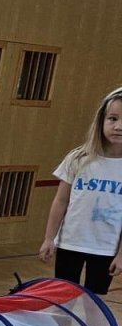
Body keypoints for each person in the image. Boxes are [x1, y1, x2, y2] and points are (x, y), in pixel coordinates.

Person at [39, 86, 122, 294]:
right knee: (63, 298)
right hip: (70, 243)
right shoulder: (78, 158)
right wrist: (49, 238)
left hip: (106, 248)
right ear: (101, 121)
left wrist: (121, 255)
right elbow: (60, 201)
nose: (118, 126)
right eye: (113, 119)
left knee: (95, 303)